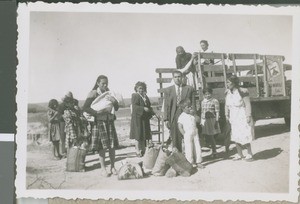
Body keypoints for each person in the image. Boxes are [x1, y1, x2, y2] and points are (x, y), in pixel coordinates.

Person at [82, 75, 119, 177]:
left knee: (112, 146)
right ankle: (103, 169)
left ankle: (112, 167)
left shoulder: (109, 93)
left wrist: (114, 100)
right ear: (98, 83)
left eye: (106, 83)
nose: (105, 85)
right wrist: (97, 113)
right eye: (103, 83)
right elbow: (85, 108)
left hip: (109, 121)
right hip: (99, 122)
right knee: (102, 147)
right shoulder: (93, 93)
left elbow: (116, 107)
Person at [163, 70, 196, 152]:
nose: (177, 79)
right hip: (174, 115)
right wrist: (166, 119)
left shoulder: (189, 89)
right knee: (175, 138)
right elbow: (166, 106)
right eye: (175, 77)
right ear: (173, 78)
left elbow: (194, 104)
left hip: (186, 115)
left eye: (179, 77)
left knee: (188, 136)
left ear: (182, 77)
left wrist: (193, 114)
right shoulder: (168, 90)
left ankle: (190, 157)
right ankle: (178, 158)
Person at [225, 75, 255, 161]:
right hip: (233, 116)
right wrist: (226, 115)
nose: (227, 84)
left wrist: (248, 115)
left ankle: (249, 154)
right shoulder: (227, 92)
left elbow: (247, 104)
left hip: (241, 115)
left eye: (228, 82)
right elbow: (226, 105)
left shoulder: (242, 91)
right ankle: (240, 154)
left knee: (245, 134)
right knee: (235, 135)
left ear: (234, 83)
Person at [129, 81, 155, 157]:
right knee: (138, 135)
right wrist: (143, 108)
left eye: (142, 88)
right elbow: (135, 107)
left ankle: (143, 150)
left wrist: (151, 111)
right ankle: (137, 150)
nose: (141, 90)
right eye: (139, 88)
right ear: (136, 89)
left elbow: (149, 106)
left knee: (144, 134)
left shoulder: (145, 96)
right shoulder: (135, 95)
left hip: (144, 119)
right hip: (137, 119)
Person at [177, 99, 204, 168]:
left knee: (197, 147)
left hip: (195, 132)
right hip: (187, 134)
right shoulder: (182, 116)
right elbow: (180, 126)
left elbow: (198, 120)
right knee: (189, 148)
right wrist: (184, 134)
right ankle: (190, 162)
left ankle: (199, 161)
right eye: (188, 107)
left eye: (190, 106)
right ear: (183, 108)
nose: (190, 108)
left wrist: (194, 114)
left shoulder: (192, 115)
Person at [200, 87, 221, 158]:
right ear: (204, 95)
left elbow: (217, 112)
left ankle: (214, 152)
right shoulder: (203, 102)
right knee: (207, 136)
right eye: (206, 94)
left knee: (211, 137)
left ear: (211, 94)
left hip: (212, 120)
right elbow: (202, 112)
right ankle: (212, 151)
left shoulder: (215, 101)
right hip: (205, 120)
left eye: (209, 94)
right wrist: (201, 121)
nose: (207, 95)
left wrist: (216, 121)